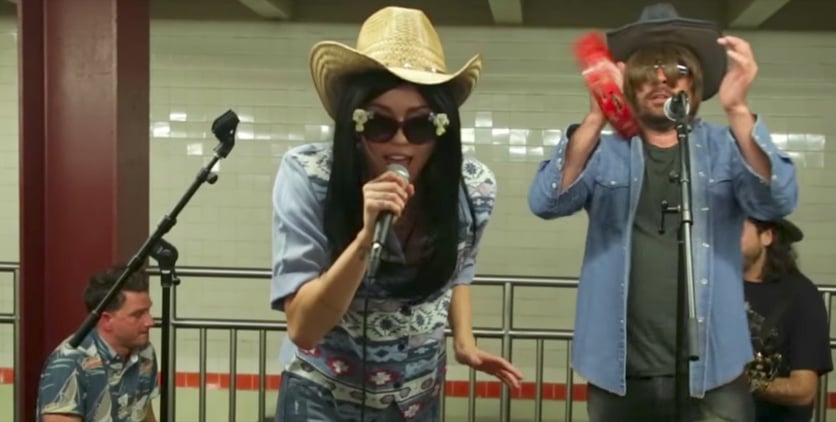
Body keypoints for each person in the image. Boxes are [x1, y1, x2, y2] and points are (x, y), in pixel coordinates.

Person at [528, 3, 799, 421]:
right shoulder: (606, 152)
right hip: (619, 369)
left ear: (697, 84)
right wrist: (596, 114)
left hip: (713, 368)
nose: (660, 79)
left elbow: (777, 200)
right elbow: (546, 201)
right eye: (645, 71)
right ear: (627, 83)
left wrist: (738, 110)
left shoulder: (726, 147)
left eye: (677, 69)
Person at [269, 6, 522, 421]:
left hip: (416, 399)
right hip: (323, 398)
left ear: (444, 131)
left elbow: (460, 266)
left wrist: (465, 339)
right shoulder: (309, 177)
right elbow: (303, 327)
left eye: (421, 126)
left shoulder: (473, 188)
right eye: (378, 124)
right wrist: (365, 240)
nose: (400, 143)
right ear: (353, 124)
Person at [36, 265, 158, 422]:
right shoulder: (69, 363)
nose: (150, 322)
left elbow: (144, 411)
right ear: (107, 320)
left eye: (148, 311)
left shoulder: (145, 351)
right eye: (138, 315)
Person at [742, 218, 833, 422]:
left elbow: (803, 390)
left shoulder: (801, 295)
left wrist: (743, 382)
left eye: (736, 227)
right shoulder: (712, 288)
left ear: (766, 236)